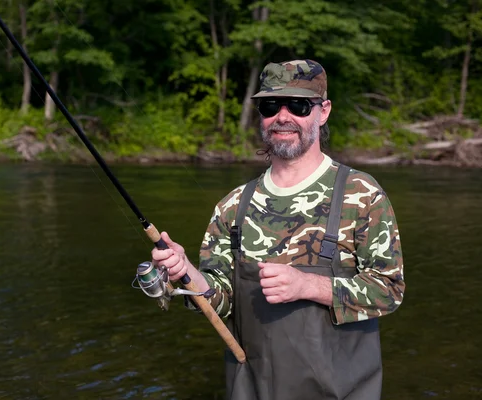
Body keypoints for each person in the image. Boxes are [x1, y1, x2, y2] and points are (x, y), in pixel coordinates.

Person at [151, 59, 405, 400]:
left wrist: (308, 285)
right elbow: (220, 300)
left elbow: (389, 290)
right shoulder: (232, 206)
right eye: (271, 106)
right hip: (252, 389)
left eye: (298, 105)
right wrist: (185, 274)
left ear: (323, 111)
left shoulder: (362, 194)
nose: (282, 116)